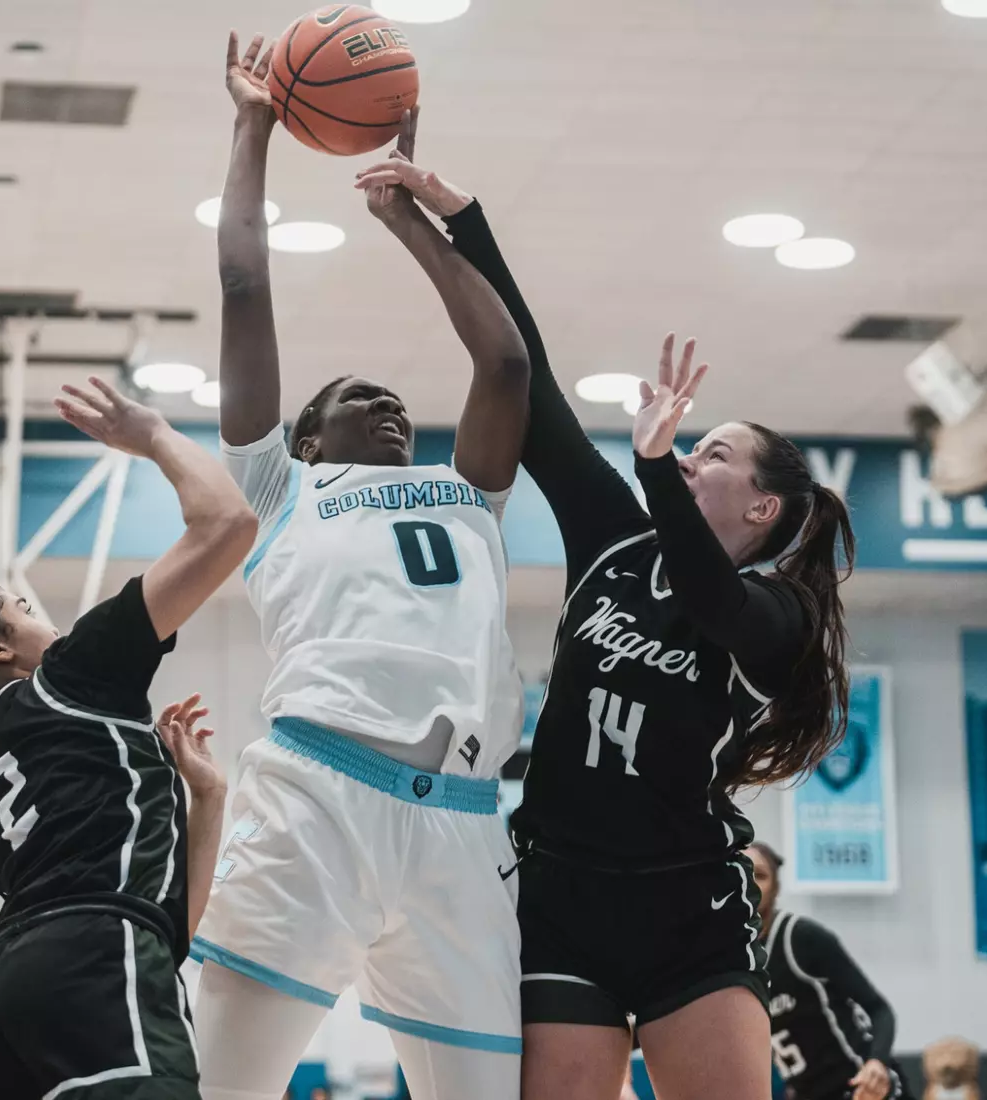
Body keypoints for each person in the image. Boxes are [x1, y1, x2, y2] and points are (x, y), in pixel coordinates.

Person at [350, 155, 855, 1100]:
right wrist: (454, 222)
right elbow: (525, 380)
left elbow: (714, 604)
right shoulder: (616, 545)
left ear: (762, 511)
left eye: (714, 454)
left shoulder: (778, 615)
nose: (692, 456)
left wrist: (660, 468)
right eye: (692, 451)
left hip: (689, 903)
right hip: (563, 892)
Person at [189, 33, 532, 1100]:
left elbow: (509, 359)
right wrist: (252, 129)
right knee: (214, 1088)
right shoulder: (279, 489)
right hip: (319, 798)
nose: (386, 402)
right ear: (303, 436)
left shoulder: (468, 494)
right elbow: (245, 278)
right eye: (354, 395)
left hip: (466, 821)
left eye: (393, 397)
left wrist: (410, 223)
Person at [0, 377, 258, 1100]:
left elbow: (167, 926)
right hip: (90, 963)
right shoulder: (72, 673)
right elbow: (227, 524)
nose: (44, 615)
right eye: (24, 606)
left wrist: (207, 798)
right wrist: (153, 435)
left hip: (1, 993)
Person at [746, 843, 903, 1100]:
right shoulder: (733, 955)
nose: (750, 884)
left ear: (775, 887)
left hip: (861, 1086)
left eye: (760, 876)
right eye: (741, 873)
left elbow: (880, 1010)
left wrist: (876, 1063)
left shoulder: (801, 937)